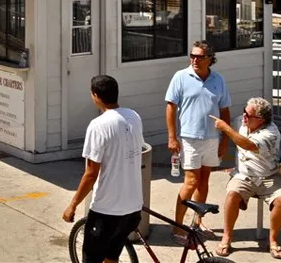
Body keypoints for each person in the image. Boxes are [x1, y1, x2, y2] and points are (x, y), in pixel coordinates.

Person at [63, 75, 144, 263]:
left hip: (106, 210)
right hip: (132, 208)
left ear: (96, 96)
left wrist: (73, 205)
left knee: (92, 258)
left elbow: (91, 173)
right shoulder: (134, 117)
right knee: (112, 256)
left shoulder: (98, 126)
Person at [164, 40, 231, 240]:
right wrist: (172, 137)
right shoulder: (180, 77)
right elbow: (170, 107)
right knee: (191, 181)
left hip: (212, 138)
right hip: (189, 139)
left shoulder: (219, 80)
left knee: (204, 181)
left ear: (209, 59)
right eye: (192, 55)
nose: (194, 59)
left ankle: (197, 221)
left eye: (199, 56)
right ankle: (177, 226)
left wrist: (225, 140)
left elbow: (225, 110)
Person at [210, 96, 281, 259]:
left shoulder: (271, 133)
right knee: (232, 194)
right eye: (244, 112)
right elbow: (225, 122)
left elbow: (247, 144)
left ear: (260, 120)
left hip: (268, 177)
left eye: (248, 115)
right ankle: (227, 237)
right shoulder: (242, 121)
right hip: (243, 176)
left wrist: (225, 128)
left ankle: (273, 240)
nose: (243, 116)